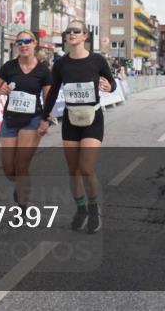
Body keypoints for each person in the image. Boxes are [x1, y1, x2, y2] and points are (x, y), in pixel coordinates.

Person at [39, 21, 115, 234]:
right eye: (68, 31)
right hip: (71, 120)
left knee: (86, 169)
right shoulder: (62, 64)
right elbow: (53, 92)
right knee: (73, 171)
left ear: (85, 36)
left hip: (93, 119)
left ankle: (93, 209)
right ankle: (81, 209)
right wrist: (45, 117)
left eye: (76, 31)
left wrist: (109, 86)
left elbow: (111, 82)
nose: (71, 34)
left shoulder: (97, 60)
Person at [0, 30, 53, 207]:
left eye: (27, 41)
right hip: (10, 120)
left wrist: (45, 120)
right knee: (9, 169)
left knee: (22, 164)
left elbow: (48, 98)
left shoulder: (43, 70)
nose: (23, 45)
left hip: (32, 120)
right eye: (19, 42)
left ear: (34, 43)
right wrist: (0, 91)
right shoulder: (9, 67)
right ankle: (20, 187)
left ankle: (22, 207)